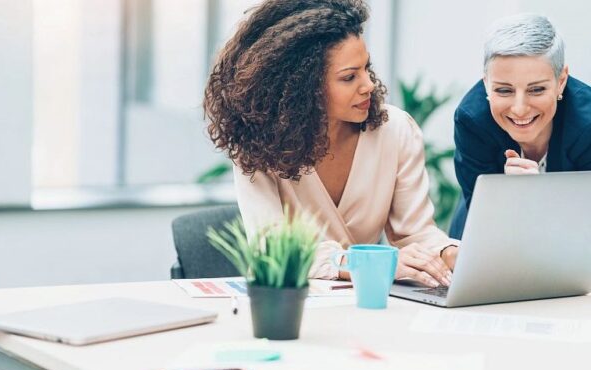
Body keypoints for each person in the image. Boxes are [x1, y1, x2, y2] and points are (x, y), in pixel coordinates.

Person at [204, 0, 459, 287]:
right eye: (349, 77)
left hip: (369, 306)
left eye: (366, 68)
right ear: (302, 87)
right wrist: (369, 263)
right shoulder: (259, 146)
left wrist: (450, 253)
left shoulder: (395, 130)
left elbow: (415, 234)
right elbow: (272, 249)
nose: (369, 85)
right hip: (291, 309)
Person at [452, 14, 591, 239]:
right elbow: (483, 220)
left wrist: (536, 197)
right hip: (487, 239)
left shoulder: (587, 125)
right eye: (504, 90)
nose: (519, 109)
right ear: (486, 82)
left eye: (536, 90)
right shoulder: (472, 121)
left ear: (561, 80)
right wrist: (510, 198)